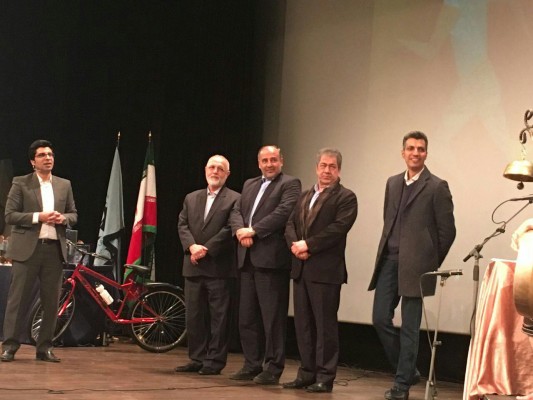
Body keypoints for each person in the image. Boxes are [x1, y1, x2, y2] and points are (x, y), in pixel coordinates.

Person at [368, 131, 456, 400]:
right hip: (389, 261)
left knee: (409, 327)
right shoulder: (392, 183)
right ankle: (407, 371)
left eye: (420, 149)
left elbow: (447, 231)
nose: (415, 153)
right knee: (379, 318)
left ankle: (401, 385)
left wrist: (430, 261)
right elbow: (389, 220)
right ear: (403, 152)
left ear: (426, 153)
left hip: (418, 267)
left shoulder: (437, 186)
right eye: (411, 148)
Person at [283, 148, 358, 393]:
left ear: (339, 170)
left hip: (325, 272)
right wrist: (296, 246)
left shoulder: (346, 197)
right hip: (301, 268)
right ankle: (306, 373)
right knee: (303, 325)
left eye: (332, 166)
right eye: (323, 165)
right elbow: (290, 224)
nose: (327, 170)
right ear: (316, 168)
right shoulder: (305, 195)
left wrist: (308, 245)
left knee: (325, 326)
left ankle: (325, 377)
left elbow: (337, 229)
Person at [228, 145, 301, 385]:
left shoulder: (290, 183)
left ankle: (272, 368)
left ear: (281, 161)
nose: (269, 164)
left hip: (271, 261)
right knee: (247, 317)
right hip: (247, 258)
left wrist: (254, 231)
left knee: (272, 319)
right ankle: (251, 364)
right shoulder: (249, 184)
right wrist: (240, 231)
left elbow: (284, 212)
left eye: (273, 160)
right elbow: (236, 210)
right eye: (265, 160)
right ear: (259, 163)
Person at [1, 139, 78, 363]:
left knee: (51, 303)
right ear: (33, 162)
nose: (48, 158)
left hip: (54, 251)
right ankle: (10, 346)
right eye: (42, 155)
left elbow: (74, 214)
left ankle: (44, 348)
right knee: (18, 301)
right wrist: (39, 217)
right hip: (28, 250)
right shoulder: (21, 183)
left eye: (50, 154)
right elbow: (10, 215)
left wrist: (63, 218)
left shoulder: (64, 184)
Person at [175, 155, 240, 375]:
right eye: (212, 167)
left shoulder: (235, 199)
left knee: (218, 318)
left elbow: (229, 229)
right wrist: (192, 246)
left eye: (220, 169)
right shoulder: (191, 197)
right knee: (194, 316)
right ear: (205, 170)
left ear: (227, 174)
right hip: (193, 265)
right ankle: (197, 358)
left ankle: (214, 361)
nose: (215, 171)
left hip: (219, 267)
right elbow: (182, 225)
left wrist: (206, 249)